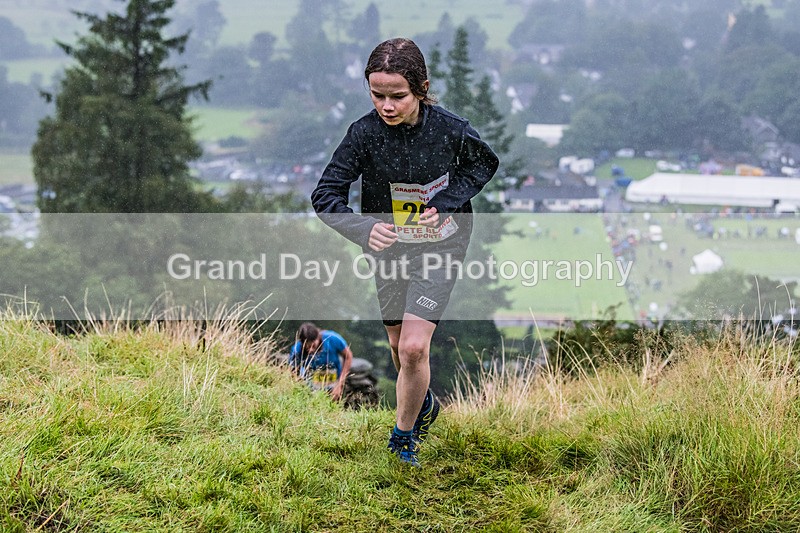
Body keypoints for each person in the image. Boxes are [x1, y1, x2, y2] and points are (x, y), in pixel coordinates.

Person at [311, 38, 499, 467]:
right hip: (391, 248)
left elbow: (483, 164)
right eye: (377, 95)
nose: (387, 106)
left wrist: (447, 204)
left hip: (442, 244)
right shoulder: (363, 135)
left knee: (414, 348)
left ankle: (402, 437)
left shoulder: (451, 128)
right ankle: (424, 403)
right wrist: (363, 228)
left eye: (398, 96)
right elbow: (325, 195)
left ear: (421, 88)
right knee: (398, 347)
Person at [289, 322, 353, 402]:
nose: (311, 350)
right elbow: (293, 373)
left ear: (318, 337)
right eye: (307, 347)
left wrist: (339, 384)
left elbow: (348, 356)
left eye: (313, 346)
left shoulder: (332, 338)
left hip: (334, 382)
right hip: (310, 386)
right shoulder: (296, 350)